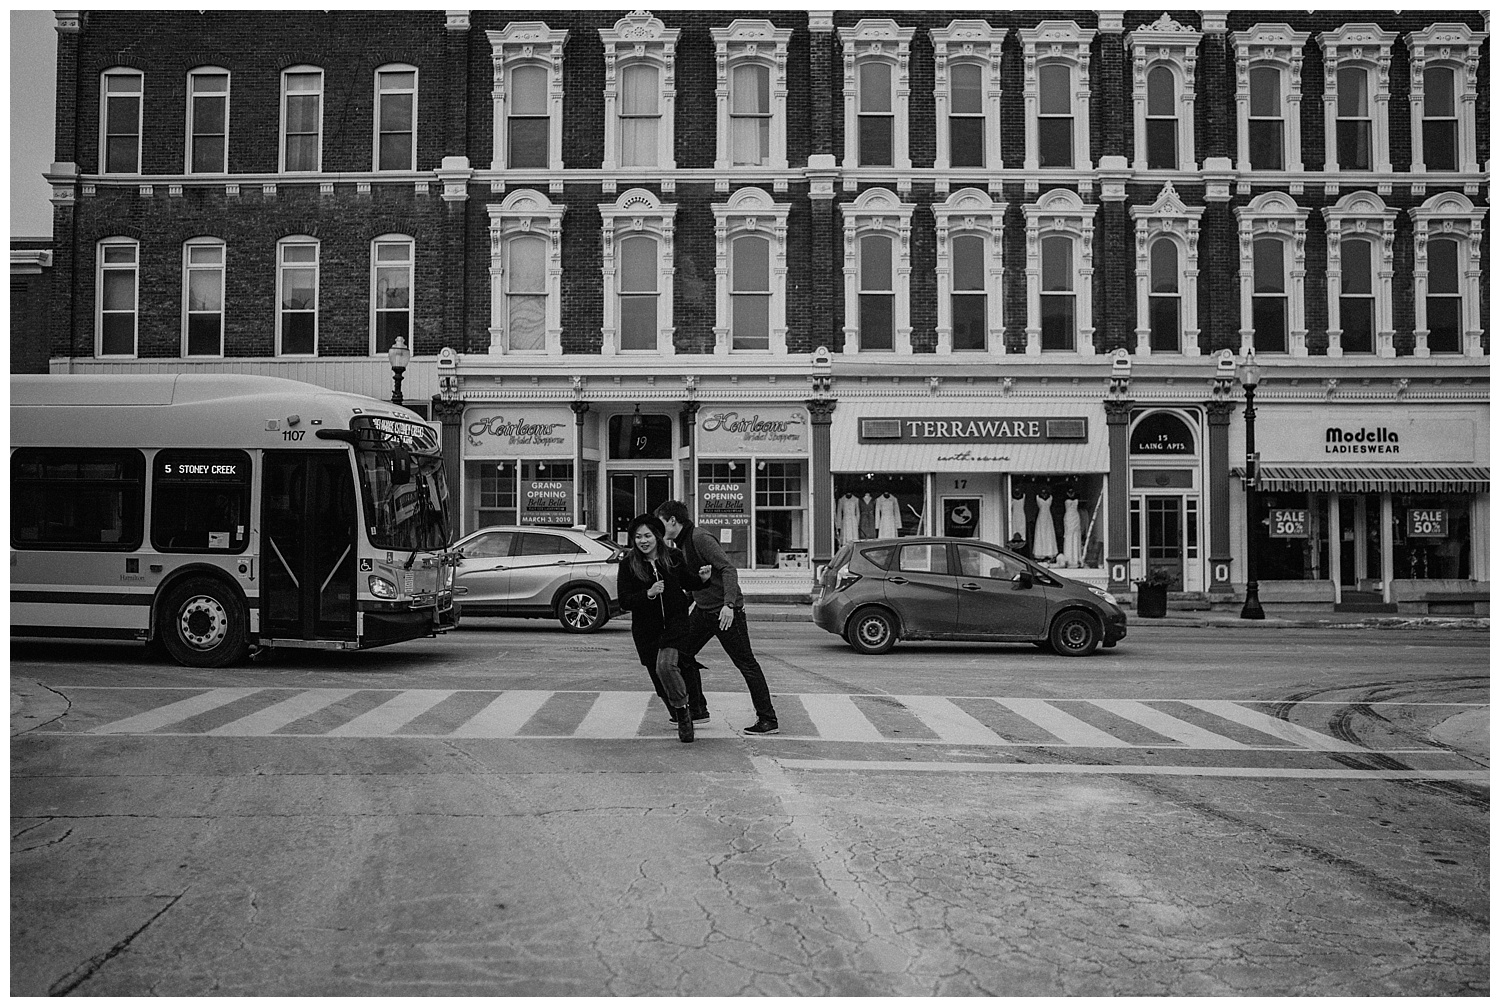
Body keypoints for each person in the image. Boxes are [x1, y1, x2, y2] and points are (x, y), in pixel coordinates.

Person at [654, 499, 779, 735]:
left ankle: (768, 719)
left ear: (672, 521)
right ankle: (698, 710)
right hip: (703, 611)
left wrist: (729, 605)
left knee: (746, 664)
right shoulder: (679, 545)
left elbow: (728, 569)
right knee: (682, 655)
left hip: (725, 613)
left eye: (660, 525)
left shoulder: (699, 538)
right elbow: (696, 583)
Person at [615, 513, 699, 743]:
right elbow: (624, 601)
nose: (643, 541)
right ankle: (680, 709)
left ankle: (683, 714)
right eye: (638, 537)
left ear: (657, 536)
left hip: (675, 624)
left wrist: (704, 579)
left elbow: (689, 581)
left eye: (648, 536)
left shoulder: (672, 556)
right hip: (646, 630)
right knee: (659, 679)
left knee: (666, 666)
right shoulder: (628, 564)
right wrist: (648, 594)